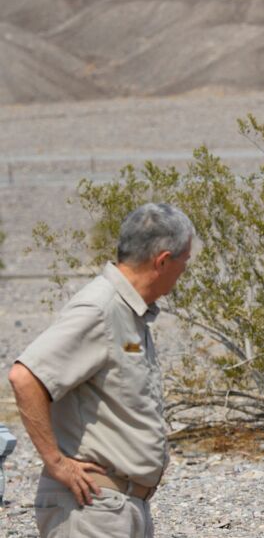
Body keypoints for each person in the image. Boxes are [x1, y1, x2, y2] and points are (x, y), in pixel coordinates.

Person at [7, 203, 194, 538]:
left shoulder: (129, 312)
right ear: (163, 261)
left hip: (119, 508)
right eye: (184, 262)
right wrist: (57, 463)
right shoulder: (100, 309)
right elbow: (25, 377)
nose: (184, 272)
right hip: (92, 509)